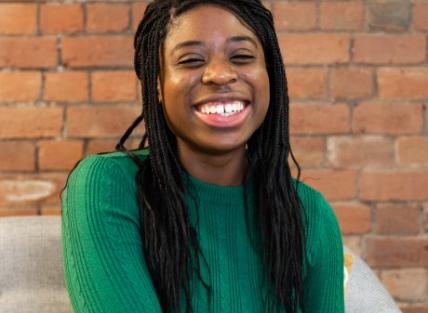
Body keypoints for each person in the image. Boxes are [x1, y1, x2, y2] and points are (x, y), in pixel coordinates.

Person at [61, 1, 344, 313]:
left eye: (241, 57)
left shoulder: (310, 214)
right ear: (157, 83)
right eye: (191, 60)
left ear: (270, 76)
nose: (220, 75)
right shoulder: (107, 186)